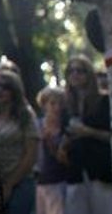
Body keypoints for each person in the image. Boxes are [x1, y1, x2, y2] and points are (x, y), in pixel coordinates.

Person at [60, 55, 112, 214]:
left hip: (101, 171)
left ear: (89, 74)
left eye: (80, 70)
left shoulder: (104, 101)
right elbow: (65, 135)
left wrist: (89, 132)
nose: (75, 74)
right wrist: (63, 144)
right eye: (70, 71)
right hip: (75, 173)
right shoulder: (66, 106)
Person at [0, 69, 38, 214]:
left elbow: (31, 155)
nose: (0, 90)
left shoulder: (26, 115)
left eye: (5, 87)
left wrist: (9, 184)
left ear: (14, 90)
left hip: (21, 182)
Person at [35, 86, 68, 214]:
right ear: (44, 105)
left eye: (60, 103)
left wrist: (50, 143)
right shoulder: (36, 125)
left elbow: (66, 161)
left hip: (59, 182)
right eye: (53, 103)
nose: (57, 107)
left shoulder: (66, 128)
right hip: (38, 183)